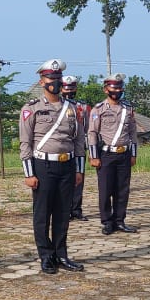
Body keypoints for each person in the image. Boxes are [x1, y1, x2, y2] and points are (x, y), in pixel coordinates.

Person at [19, 59, 86, 275]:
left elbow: (78, 141)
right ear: (42, 82)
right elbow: (25, 143)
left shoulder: (73, 109)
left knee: (62, 213)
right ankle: (46, 256)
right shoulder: (32, 109)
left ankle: (62, 254)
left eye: (58, 78)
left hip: (66, 165)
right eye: (51, 78)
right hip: (43, 165)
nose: (55, 82)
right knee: (42, 214)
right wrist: (29, 173)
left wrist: (79, 170)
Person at [88, 73, 139, 235]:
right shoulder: (98, 109)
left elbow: (132, 132)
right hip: (106, 155)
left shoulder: (128, 109)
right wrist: (94, 156)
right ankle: (107, 222)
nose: (116, 90)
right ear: (106, 89)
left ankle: (120, 220)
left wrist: (133, 154)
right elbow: (92, 133)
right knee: (106, 190)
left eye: (119, 87)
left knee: (122, 190)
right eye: (113, 87)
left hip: (124, 154)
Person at [61, 75, 91, 221]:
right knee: (64, 181)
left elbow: (88, 129)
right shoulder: (58, 106)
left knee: (79, 179)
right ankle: (64, 211)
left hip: (79, 147)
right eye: (66, 89)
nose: (69, 92)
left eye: (72, 89)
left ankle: (76, 209)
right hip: (63, 148)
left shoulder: (83, 107)